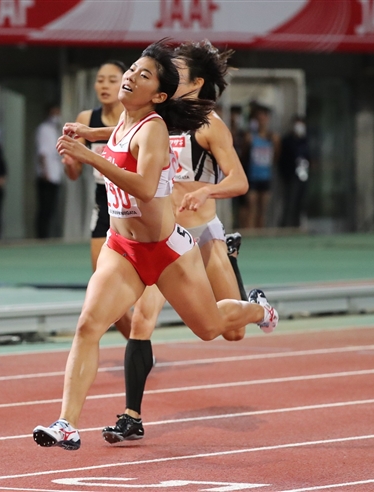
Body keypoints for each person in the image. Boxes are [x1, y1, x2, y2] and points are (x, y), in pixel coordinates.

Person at [32, 40, 278, 451]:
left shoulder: (165, 126)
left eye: (144, 75)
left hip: (171, 248)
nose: (129, 76)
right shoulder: (133, 121)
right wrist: (92, 134)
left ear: (165, 92)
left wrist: (90, 156)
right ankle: (68, 423)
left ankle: (257, 308)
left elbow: (147, 187)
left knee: (214, 329)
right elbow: (122, 136)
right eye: (133, 69)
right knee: (90, 325)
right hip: (122, 248)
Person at [98, 40, 252, 444]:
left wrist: (206, 192)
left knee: (231, 333)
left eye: (176, 69)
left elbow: (239, 181)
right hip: (167, 237)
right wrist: (91, 133)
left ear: (196, 82)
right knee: (142, 321)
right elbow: (122, 132)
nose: (166, 70)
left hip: (203, 232)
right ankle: (131, 415)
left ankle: (238, 272)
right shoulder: (156, 118)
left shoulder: (209, 125)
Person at [63, 60, 133, 339]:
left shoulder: (135, 119)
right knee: (100, 281)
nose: (104, 85)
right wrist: (69, 161)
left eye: (112, 79)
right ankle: (138, 346)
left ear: (125, 83)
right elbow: (73, 172)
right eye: (100, 79)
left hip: (134, 203)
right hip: (104, 202)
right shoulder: (85, 119)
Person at [242, 104, 278, 229]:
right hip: (252, 176)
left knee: (263, 208)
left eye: (264, 117)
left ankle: (261, 231)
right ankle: (250, 232)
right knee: (251, 206)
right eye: (259, 118)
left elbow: (276, 155)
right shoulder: (250, 137)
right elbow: (244, 155)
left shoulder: (272, 138)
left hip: (265, 176)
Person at [35, 103, 64, 239]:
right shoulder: (44, 129)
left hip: (56, 174)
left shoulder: (56, 130)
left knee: (52, 208)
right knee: (44, 208)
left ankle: (49, 235)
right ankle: (42, 236)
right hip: (46, 175)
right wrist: (45, 172)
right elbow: (43, 153)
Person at [278, 115, 310, 228]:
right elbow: (282, 159)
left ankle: (297, 225)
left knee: (301, 202)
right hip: (291, 175)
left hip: (303, 175)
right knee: (290, 202)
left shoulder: (305, 140)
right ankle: (286, 226)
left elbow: (308, 157)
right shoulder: (288, 141)